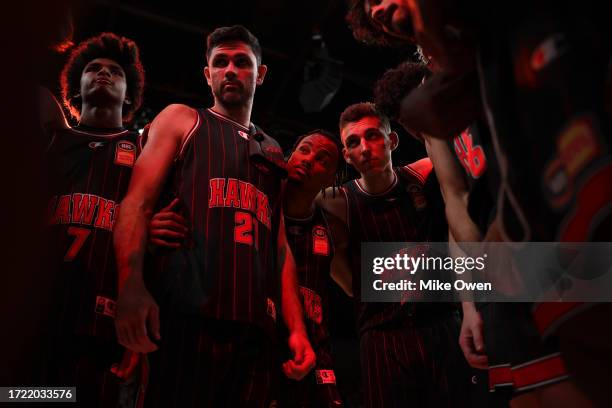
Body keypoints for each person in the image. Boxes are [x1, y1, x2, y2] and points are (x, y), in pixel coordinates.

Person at [113, 25, 315, 407]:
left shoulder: (272, 150)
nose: (230, 71)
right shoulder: (182, 119)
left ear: (261, 74)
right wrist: (130, 285)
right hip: (186, 316)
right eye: (220, 63)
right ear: (207, 75)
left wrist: (297, 329)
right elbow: (136, 203)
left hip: (256, 330)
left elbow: (281, 247)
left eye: (242, 62)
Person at [318, 102, 470, 407]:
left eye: (373, 135)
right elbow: (345, 280)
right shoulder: (335, 201)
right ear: (346, 155)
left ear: (392, 140)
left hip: (441, 322)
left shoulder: (424, 172)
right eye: (353, 142)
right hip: (381, 335)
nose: (364, 147)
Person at [43, 32, 145, 407]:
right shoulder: (51, 141)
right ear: (73, 92)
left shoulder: (146, 150)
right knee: (26, 398)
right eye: (93, 68)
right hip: (38, 319)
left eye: (115, 71)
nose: (103, 73)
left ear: (130, 95)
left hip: (103, 329)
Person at [280, 130, 351, 408]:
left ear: (333, 179)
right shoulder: (259, 203)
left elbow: (356, 289)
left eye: (322, 159)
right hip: (262, 341)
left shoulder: (331, 230)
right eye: (304, 150)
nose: (309, 160)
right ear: (290, 156)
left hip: (316, 350)